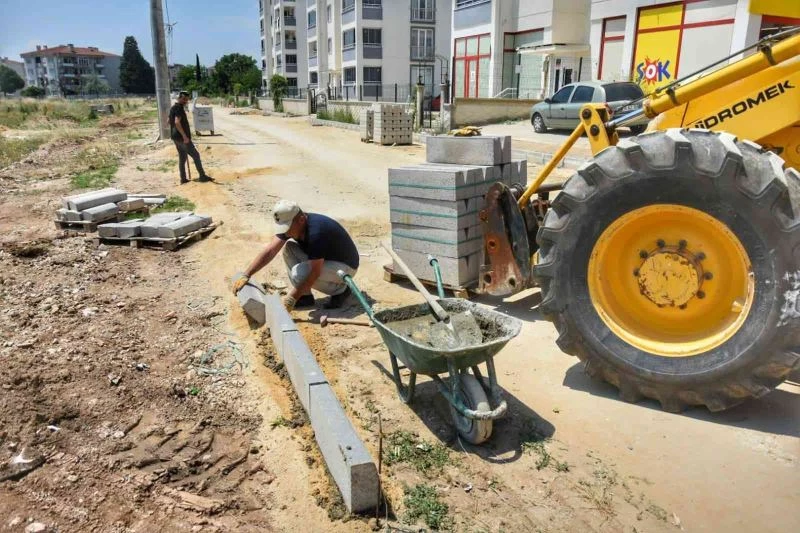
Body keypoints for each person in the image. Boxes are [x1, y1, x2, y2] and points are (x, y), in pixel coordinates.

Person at [233, 200, 359, 311]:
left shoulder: (316, 233)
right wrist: (247, 274)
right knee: (289, 249)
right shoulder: (293, 225)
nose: (285, 231)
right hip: (327, 260)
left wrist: (291, 298)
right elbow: (271, 250)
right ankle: (305, 297)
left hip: (345, 267)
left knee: (299, 273)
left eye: (287, 226)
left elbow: (315, 272)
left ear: (301, 220)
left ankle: (341, 291)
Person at [168, 91, 213, 184]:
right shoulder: (179, 108)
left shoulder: (173, 108)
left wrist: (174, 130)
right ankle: (202, 176)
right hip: (182, 138)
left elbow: (169, 121)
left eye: (187, 100)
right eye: (184, 99)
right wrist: (184, 136)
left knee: (182, 157)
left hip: (175, 137)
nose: (185, 101)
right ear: (179, 98)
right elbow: (177, 122)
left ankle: (183, 178)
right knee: (196, 155)